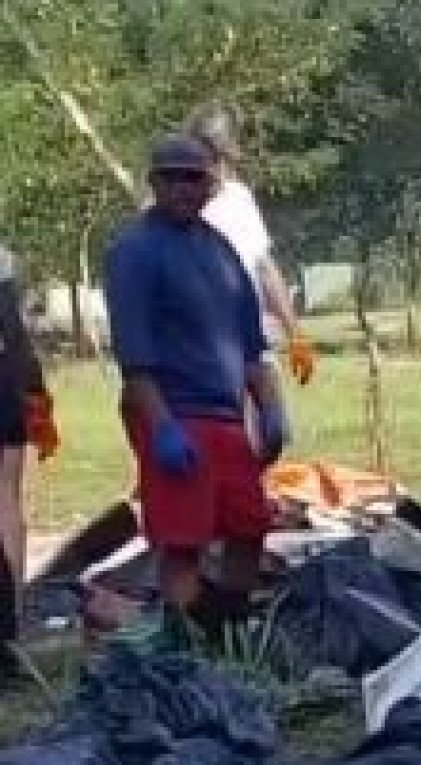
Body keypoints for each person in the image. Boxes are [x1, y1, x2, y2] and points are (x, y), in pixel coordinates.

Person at [103, 135, 291, 632]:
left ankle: (229, 627)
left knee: (249, 527)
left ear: (211, 184)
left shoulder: (222, 252)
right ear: (154, 182)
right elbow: (134, 362)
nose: (184, 188)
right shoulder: (134, 252)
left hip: (226, 416)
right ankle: (192, 639)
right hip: (173, 412)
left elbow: (250, 346)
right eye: (172, 177)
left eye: (195, 177)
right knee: (183, 540)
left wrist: (270, 406)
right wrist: (161, 426)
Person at [184, 104, 317, 387]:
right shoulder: (174, 208)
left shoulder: (239, 198)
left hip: (251, 347)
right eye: (211, 159)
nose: (218, 170)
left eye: (222, 160)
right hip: (198, 356)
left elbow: (265, 269)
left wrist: (295, 333)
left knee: (274, 430)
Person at [0, 244, 59, 661]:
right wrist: (35, 395)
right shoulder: (3, 260)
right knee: (6, 497)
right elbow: (15, 335)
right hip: (6, 379)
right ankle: (11, 618)